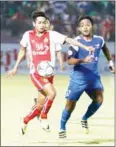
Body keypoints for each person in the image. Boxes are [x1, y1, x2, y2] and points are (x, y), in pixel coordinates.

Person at [6, 11, 94, 135]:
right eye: (39, 23)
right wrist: (15, 67)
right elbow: (22, 50)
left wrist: (85, 47)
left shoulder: (52, 35)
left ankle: (25, 121)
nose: (42, 25)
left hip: (49, 74)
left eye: (44, 22)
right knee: (52, 93)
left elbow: (69, 40)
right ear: (34, 24)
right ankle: (44, 117)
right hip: (36, 74)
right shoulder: (28, 35)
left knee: (40, 105)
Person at [59, 16, 115, 138]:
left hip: (93, 78)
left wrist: (110, 63)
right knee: (70, 105)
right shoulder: (76, 41)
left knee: (99, 99)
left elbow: (105, 49)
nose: (85, 27)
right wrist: (83, 60)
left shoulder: (99, 40)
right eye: (82, 25)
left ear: (92, 26)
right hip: (78, 79)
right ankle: (62, 127)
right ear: (79, 28)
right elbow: (69, 61)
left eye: (88, 24)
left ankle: (84, 118)